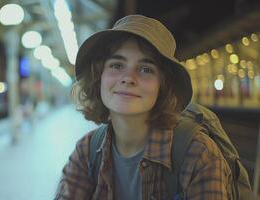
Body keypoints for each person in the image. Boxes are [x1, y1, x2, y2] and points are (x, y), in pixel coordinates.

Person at [55, 15, 231, 200]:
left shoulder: (197, 154)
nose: (128, 77)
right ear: (99, 78)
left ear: (162, 86)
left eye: (146, 69)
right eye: (116, 65)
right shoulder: (87, 151)